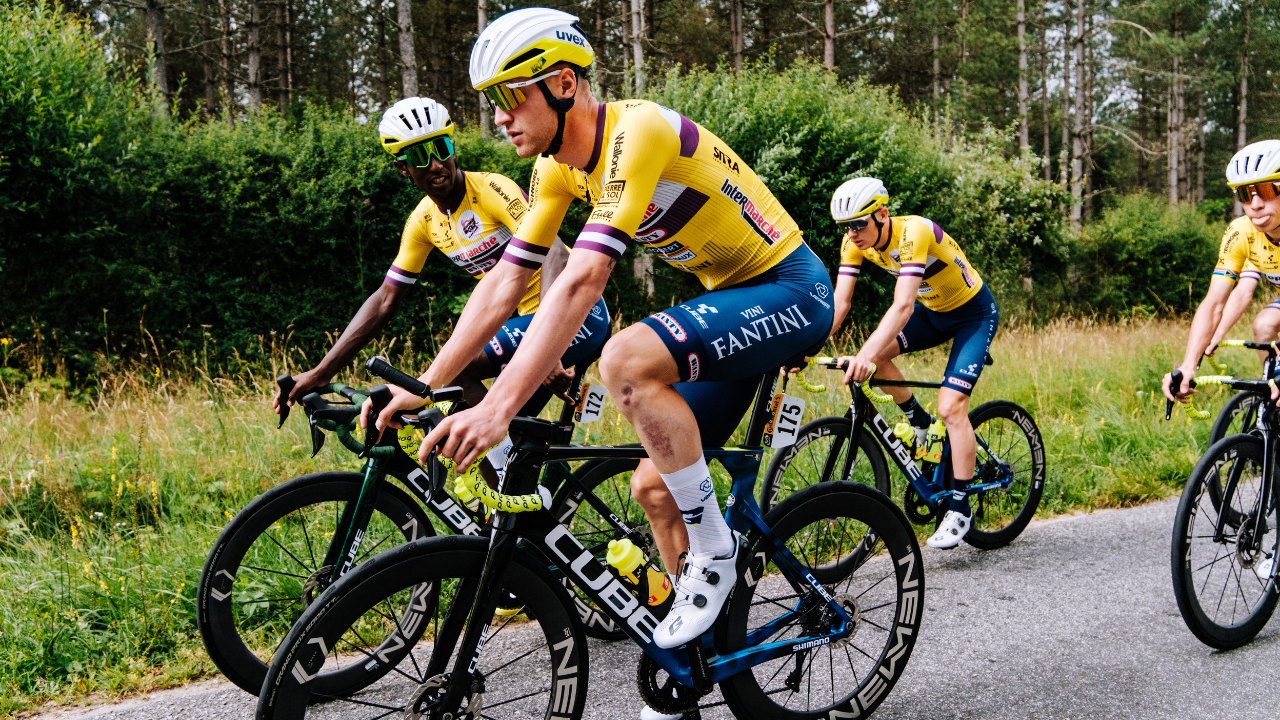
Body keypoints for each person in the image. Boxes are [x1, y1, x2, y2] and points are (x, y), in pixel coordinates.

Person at [372, 9, 832, 682]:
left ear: (561, 83)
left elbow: (585, 278)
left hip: (792, 290)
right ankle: (703, 659)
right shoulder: (557, 171)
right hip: (734, 297)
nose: (498, 117)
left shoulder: (636, 132)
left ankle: (715, 556)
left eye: (508, 95)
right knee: (654, 487)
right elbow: (505, 284)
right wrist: (422, 386)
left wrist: (499, 406)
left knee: (623, 359)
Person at [278, 96, 609, 480]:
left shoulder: (491, 190)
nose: (436, 164)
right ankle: (517, 504)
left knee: (457, 370)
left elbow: (554, 254)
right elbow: (386, 299)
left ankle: (505, 480)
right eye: (421, 156)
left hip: (575, 316)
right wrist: (320, 372)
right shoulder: (423, 222)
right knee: (475, 411)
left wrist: (548, 345)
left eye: (442, 147)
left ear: (453, 147)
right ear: (403, 169)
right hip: (532, 326)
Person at [827, 177, 998, 550]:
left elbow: (902, 306)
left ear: (882, 214)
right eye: (846, 227)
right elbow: (840, 304)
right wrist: (804, 346)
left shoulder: (914, 232)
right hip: (933, 312)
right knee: (878, 360)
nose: (853, 234)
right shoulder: (854, 244)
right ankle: (919, 423)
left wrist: (863, 355)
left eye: (859, 224)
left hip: (973, 314)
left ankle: (960, 506)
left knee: (951, 408)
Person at [1166, 139, 1280, 409]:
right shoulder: (1241, 232)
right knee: (1263, 326)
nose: (1255, 204)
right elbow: (1215, 302)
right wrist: (1189, 365)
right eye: (1244, 194)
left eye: (1265, 189)